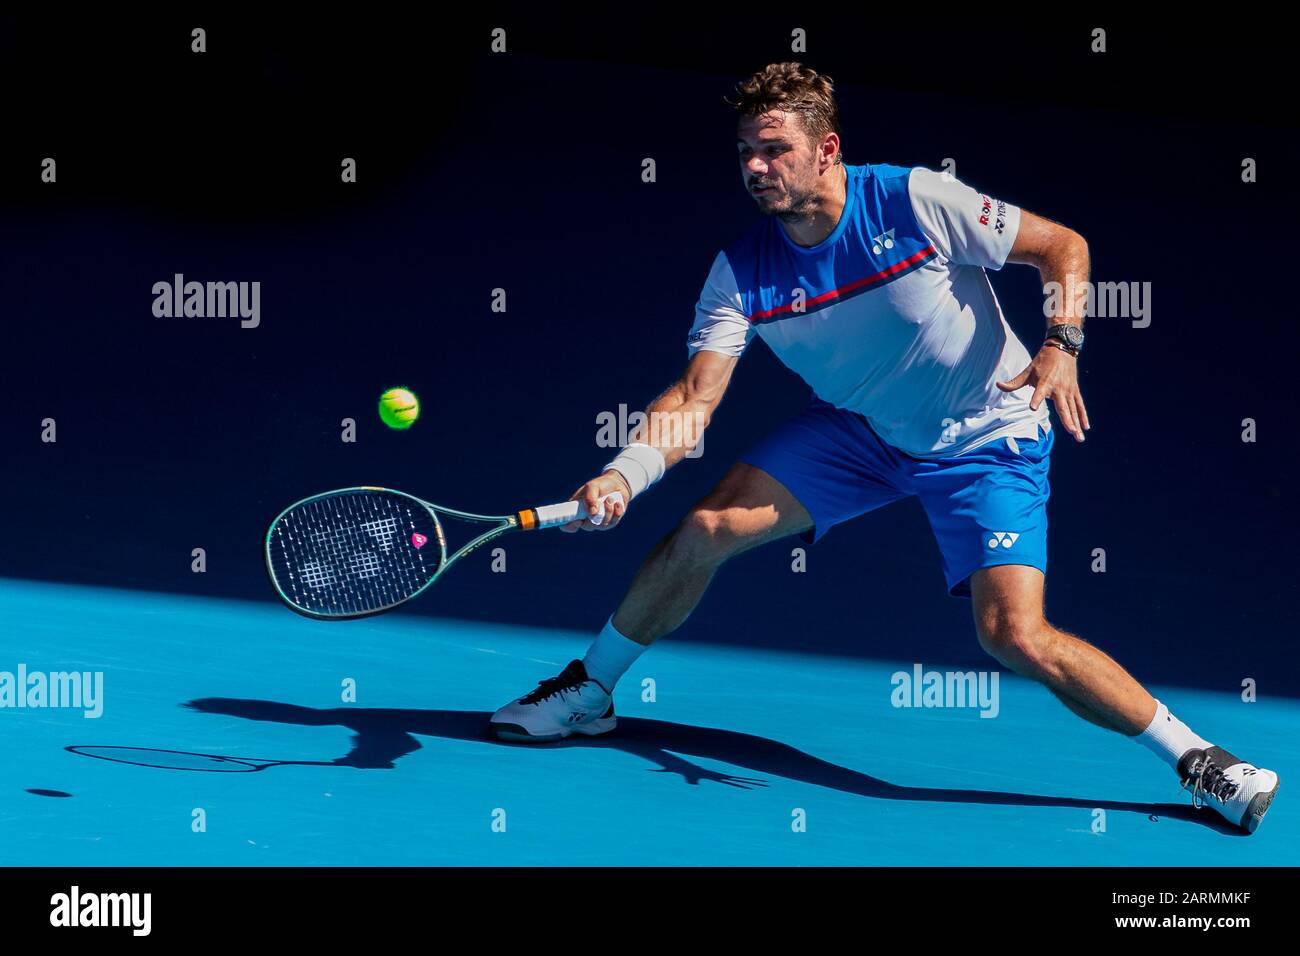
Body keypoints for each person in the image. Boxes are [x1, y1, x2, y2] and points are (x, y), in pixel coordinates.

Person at [489, 62, 1278, 834]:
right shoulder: (740, 271)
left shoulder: (913, 198)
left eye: (774, 150)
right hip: (861, 432)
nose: (757, 169)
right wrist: (625, 474)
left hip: (989, 432)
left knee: (1012, 633)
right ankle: (590, 688)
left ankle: (1200, 761)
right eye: (745, 155)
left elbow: (1062, 245)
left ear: (827, 150)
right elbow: (695, 398)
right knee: (704, 528)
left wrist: (1063, 341)